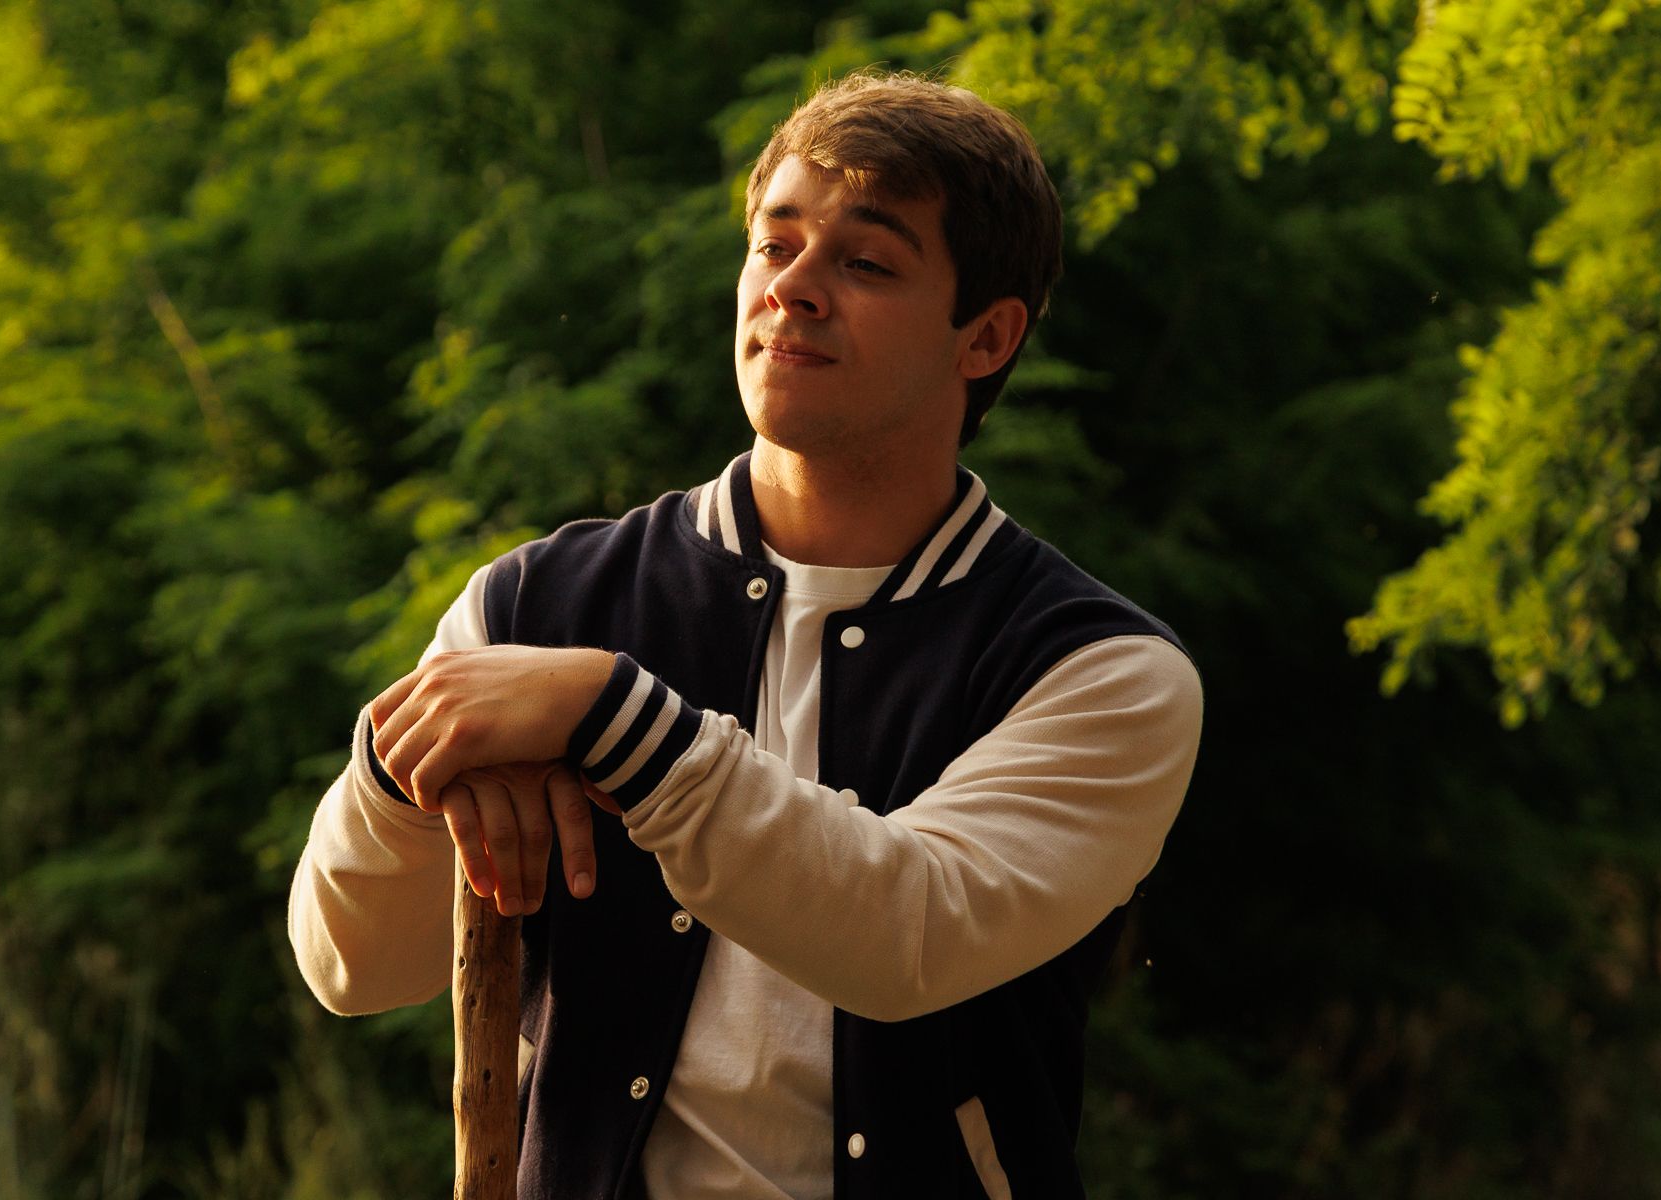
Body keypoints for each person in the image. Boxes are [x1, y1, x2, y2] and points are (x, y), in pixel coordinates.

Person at [290, 71, 1203, 1200]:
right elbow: (353, 968)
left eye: (866, 263)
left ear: (987, 336)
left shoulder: (1100, 672)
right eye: (775, 244)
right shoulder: (532, 608)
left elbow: (907, 937)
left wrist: (614, 719)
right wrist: (402, 770)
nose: (794, 288)